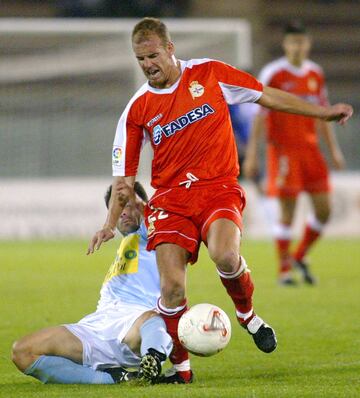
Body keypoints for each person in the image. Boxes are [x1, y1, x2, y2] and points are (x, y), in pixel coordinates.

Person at [87, 18, 353, 384]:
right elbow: (124, 181)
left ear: (170, 49)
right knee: (171, 288)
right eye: (140, 59)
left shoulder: (210, 74)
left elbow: (266, 95)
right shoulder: (137, 109)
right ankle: (182, 372)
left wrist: (321, 112)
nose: (148, 65)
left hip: (218, 187)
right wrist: (107, 224)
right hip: (170, 200)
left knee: (226, 255)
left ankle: (247, 316)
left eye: (152, 55)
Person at [11, 182, 174, 384]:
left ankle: (153, 360)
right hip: (95, 327)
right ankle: (112, 378)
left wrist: (136, 202)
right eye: (118, 208)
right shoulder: (125, 248)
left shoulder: (151, 235)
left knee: (152, 318)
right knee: (22, 352)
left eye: (129, 205)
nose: (123, 212)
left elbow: (157, 213)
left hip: (132, 326)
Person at [244, 21, 346, 285]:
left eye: (302, 42)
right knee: (287, 213)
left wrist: (333, 151)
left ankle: (299, 256)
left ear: (308, 44)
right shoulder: (273, 73)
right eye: (293, 42)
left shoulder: (315, 73)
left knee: (324, 210)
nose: (297, 47)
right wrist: (253, 154)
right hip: (284, 151)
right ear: (285, 44)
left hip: (311, 150)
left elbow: (324, 114)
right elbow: (259, 116)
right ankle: (284, 271)